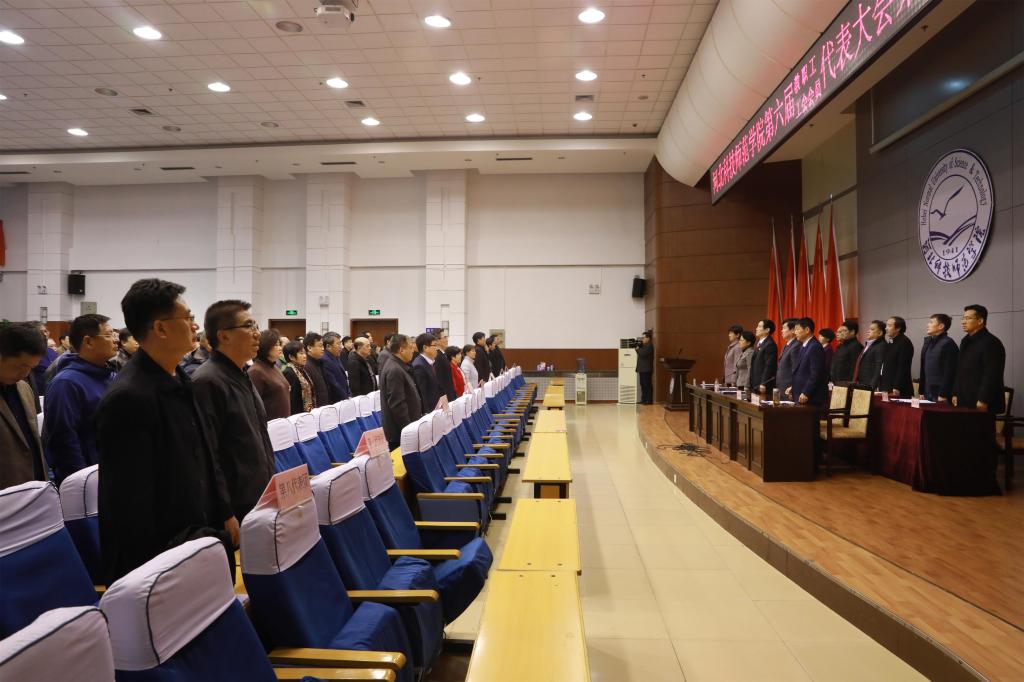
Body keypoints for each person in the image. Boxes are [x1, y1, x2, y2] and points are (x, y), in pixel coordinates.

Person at [95, 278, 236, 584]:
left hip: (197, 538)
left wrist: (224, 511)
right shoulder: (128, 398)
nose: (195, 326)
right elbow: (131, 504)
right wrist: (162, 571)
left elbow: (206, 455)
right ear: (160, 328)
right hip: (162, 562)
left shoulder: (182, 380)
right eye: (188, 318)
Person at [192, 300, 275, 523]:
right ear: (224, 336)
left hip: (258, 494)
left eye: (256, 326)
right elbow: (207, 455)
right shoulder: (207, 381)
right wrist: (225, 511)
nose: (257, 333)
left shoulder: (241, 373)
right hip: (234, 505)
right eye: (248, 326)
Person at [42, 314, 117, 485]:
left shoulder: (111, 375)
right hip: (88, 479)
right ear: (88, 341)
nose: (115, 340)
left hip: (112, 472)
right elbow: (64, 439)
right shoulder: (66, 383)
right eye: (109, 335)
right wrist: (82, 482)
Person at [0, 322, 47, 488]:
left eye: (31, 368)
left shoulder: (24, 388)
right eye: (21, 366)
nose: (25, 374)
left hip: (33, 487)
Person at [955, 304, 1006, 413]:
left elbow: (992, 374)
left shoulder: (991, 342)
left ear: (980, 321)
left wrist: (983, 399)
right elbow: (960, 369)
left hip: (982, 402)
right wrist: (955, 393)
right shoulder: (965, 341)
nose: (963, 322)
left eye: (968, 318)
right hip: (964, 398)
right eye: (963, 318)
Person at [379, 334, 421, 450]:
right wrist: (408, 430)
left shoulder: (398, 365)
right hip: (400, 432)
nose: (413, 351)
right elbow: (397, 404)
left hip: (404, 429)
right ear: (401, 350)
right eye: (410, 348)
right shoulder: (394, 369)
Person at [249, 329, 290, 420]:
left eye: (279, 344)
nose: (280, 348)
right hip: (269, 424)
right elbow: (253, 406)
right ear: (265, 346)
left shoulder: (274, 367)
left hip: (283, 422)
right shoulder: (256, 371)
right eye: (276, 345)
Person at [788, 317, 827, 406]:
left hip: (810, 397)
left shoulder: (815, 346)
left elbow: (816, 373)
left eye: (797, 329)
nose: (795, 332)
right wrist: (793, 387)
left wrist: (806, 392)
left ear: (807, 330)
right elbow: (801, 371)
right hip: (801, 393)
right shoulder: (805, 345)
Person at [919, 313, 958, 402]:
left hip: (940, 393)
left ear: (941, 326)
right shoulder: (928, 342)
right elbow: (923, 368)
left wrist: (943, 394)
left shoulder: (948, 343)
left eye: (931, 322)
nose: (927, 325)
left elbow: (950, 372)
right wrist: (921, 390)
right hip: (927, 391)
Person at [880, 316, 914, 397]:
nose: (886, 328)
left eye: (889, 326)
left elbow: (903, 366)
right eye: (886, 325)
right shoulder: (891, 341)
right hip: (887, 386)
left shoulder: (904, 342)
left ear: (898, 328)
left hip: (898, 388)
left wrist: (897, 386)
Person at [412, 333, 443, 413]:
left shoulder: (430, 362)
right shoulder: (419, 365)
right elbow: (421, 393)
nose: (437, 348)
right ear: (425, 348)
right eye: (435, 345)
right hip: (429, 411)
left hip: (436, 407)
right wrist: (426, 413)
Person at [281, 340, 314, 415]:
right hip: (297, 414)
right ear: (291, 357)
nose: (305, 356)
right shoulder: (289, 372)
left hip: (307, 412)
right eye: (301, 353)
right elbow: (292, 399)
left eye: (304, 353)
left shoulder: (302, 369)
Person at [321, 331, 352, 402]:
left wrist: (349, 394)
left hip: (344, 398)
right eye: (338, 344)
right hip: (336, 400)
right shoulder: (325, 360)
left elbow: (344, 379)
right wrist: (346, 397)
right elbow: (333, 383)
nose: (341, 347)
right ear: (328, 346)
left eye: (340, 343)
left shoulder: (336, 356)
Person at [855, 320, 886, 389]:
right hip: (862, 383)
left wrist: (872, 386)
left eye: (872, 329)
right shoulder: (869, 344)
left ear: (880, 333)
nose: (868, 331)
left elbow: (879, 367)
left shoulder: (881, 346)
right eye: (869, 329)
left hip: (870, 385)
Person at [302, 332, 330, 408]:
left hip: (324, 407)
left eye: (323, 346)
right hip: (316, 409)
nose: (323, 349)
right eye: (320, 346)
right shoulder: (306, 366)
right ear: (309, 348)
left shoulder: (320, 362)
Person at [750, 319, 778, 394]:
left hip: (763, 385)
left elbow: (769, 366)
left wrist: (764, 383)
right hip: (755, 383)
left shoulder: (770, 344)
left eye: (759, 326)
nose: (756, 329)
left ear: (767, 330)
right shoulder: (760, 343)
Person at [31, 323, 59, 395]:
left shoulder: (52, 351)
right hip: (37, 390)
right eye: (41, 331)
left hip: (53, 388)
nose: (45, 334)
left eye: (46, 331)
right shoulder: (32, 352)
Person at [776, 319, 800, 398]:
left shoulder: (796, 345)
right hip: (782, 386)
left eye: (784, 328)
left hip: (789, 388)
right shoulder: (787, 345)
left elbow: (796, 370)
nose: (781, 331)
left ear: (793, 330)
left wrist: (792, 386)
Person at [433, 329, 457, 401]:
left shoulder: (442, 355)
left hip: (449, 394)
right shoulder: (438, 356)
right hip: (446, 396)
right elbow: (440, 380)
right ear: (437, 341)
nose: (447, 340)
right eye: (444, 337)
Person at [636, 331, 654, 404]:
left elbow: (643, 354)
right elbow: (641, 353)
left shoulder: (649, 345)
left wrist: (637, 349)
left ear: (648, 338)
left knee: (647, 385)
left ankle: (649, 400)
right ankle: (644, 399)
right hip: (642, 368)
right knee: (642, 384)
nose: (642, 339)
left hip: (646, 369)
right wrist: (638, 348)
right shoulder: (644, 345)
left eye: (643, 338)